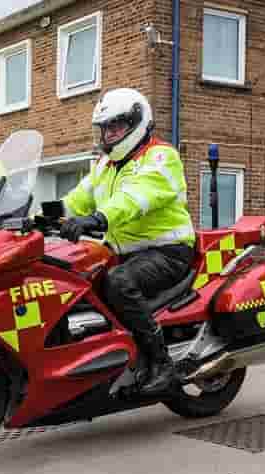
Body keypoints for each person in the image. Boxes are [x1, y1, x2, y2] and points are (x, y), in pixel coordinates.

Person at [60, 88, 196, 394]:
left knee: (118, 283)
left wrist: (98, 219)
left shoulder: (161, 157)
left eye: (116, 127)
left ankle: (161, 363)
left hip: (167, 251)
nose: (108, 135)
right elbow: (76, 199)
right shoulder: (105, 167)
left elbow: (136, 197)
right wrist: (37, 213)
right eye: (105, 128)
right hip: (124, 251)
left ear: (137, 124)